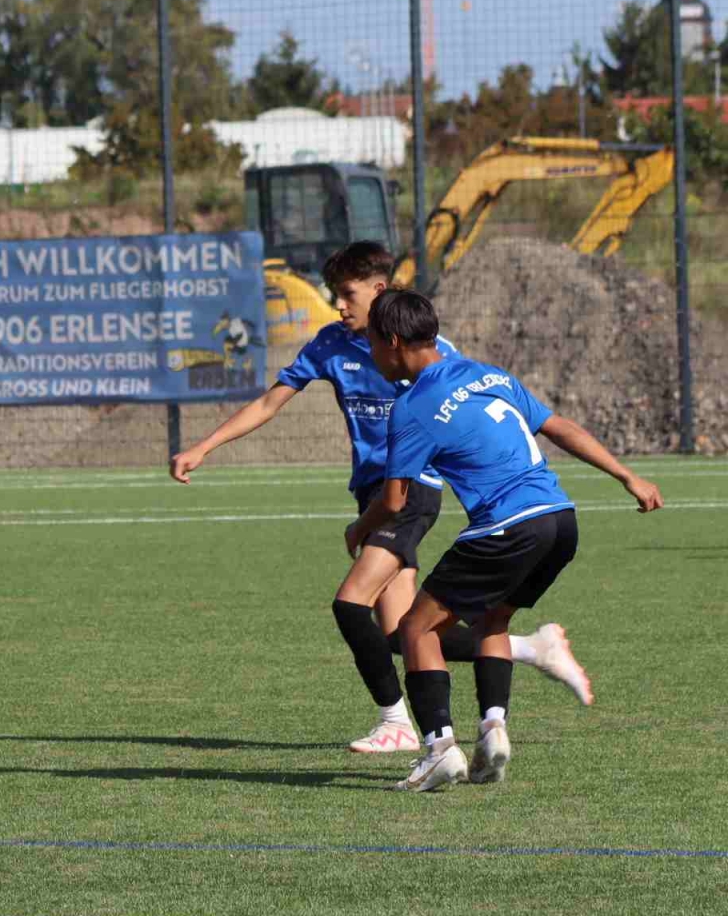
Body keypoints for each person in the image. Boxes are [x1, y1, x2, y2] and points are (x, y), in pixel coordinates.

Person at [170, 240, 590, 752]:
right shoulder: (328, 344)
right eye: (334, 294)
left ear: (379, 289)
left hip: (409, 494)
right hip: (373, 493)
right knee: (399, 632)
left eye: (347, 294)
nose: (339, 305)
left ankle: (397, 723)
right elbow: (268, 403)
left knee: (350, 604)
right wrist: (204, 447)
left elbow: (468, 414)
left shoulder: (426, 351)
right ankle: (530, 648)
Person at [348, 289, 662, 791]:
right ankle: (493, 728)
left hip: (505, 527)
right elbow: (558, 427)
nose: (371, 356)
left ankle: (438, 751)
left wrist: (359, 528)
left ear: (393, 341)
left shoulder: (410, 407)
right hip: (560, 521)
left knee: (415, 628)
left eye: (371, 344)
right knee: (493, 617)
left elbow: (393, 500)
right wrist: (627, 476)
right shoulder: (487, 374)